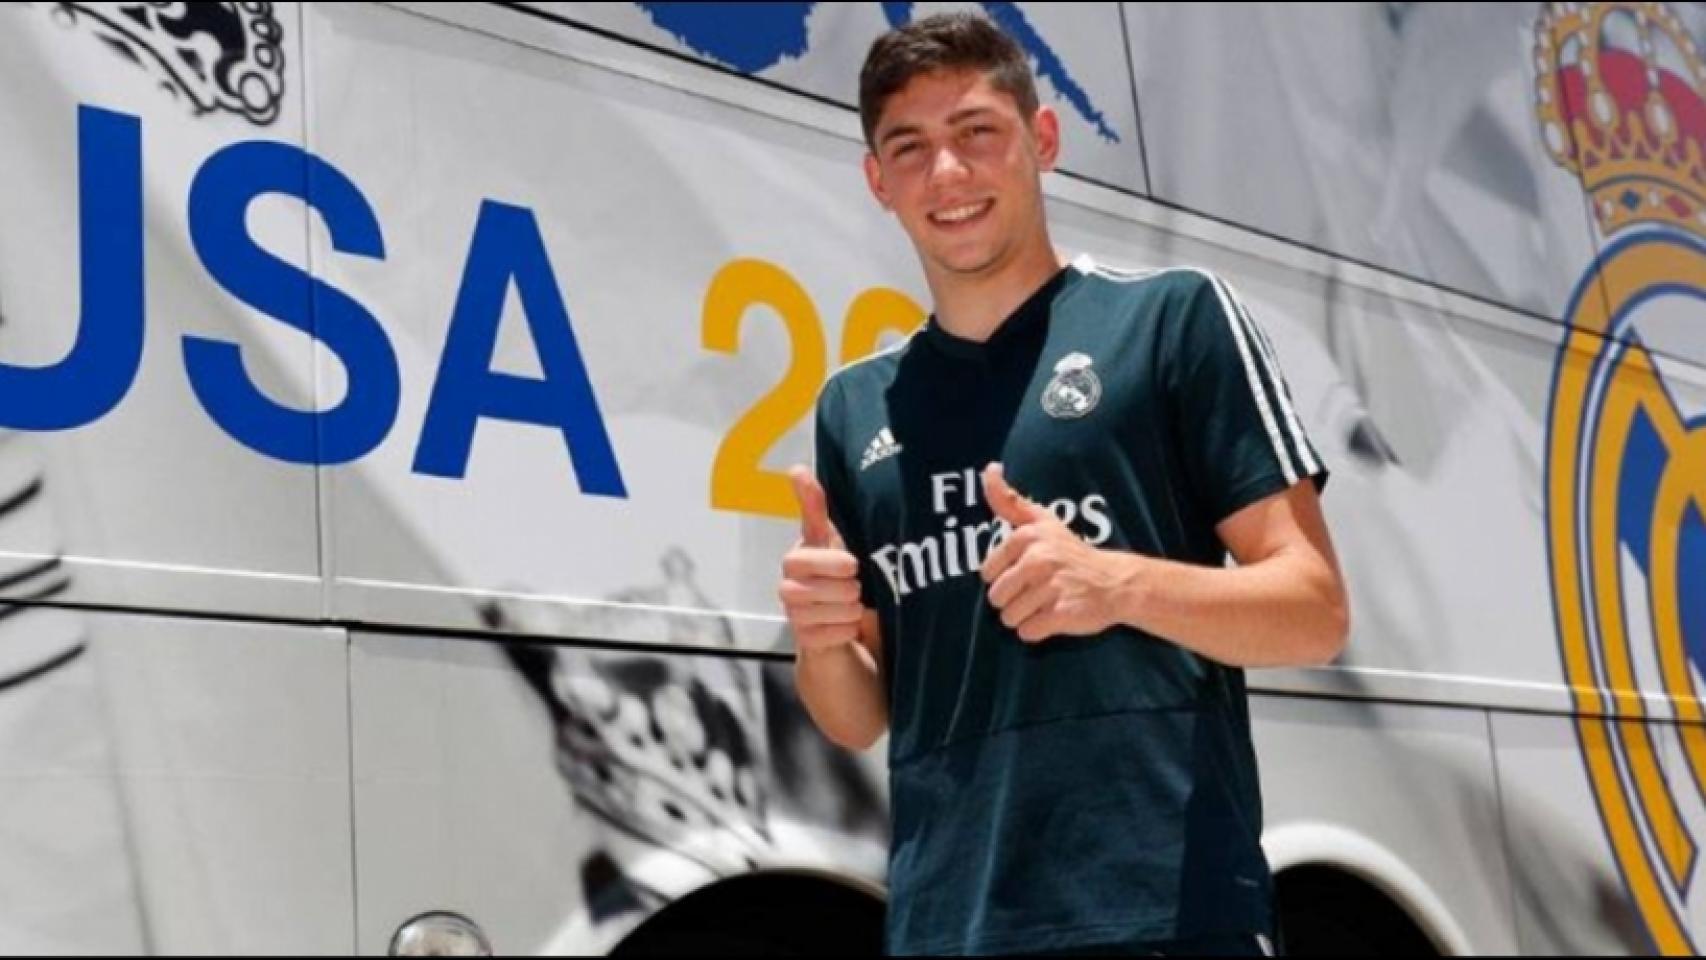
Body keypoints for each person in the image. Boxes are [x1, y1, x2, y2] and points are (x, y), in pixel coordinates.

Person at [777, 12, 1349, 957]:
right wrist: (823, 642)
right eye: (910, 148)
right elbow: (860, 716)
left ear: (1041, 141)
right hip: (943, 926)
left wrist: (1113, 583)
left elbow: (1315, 609)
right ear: (879, 183)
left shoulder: (1171, 321)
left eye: (977, 133)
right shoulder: (852, 408)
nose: (947, 175)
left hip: (1167, 915)